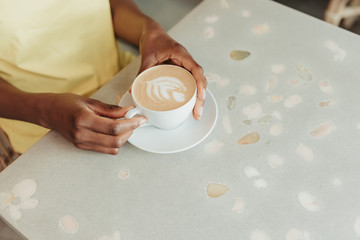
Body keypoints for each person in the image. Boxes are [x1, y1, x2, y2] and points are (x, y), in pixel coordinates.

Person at [0, 0, 207, 160]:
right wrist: (46, 112)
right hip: (39, 131)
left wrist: (149, 30)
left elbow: (112, 5)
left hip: (122, 82)